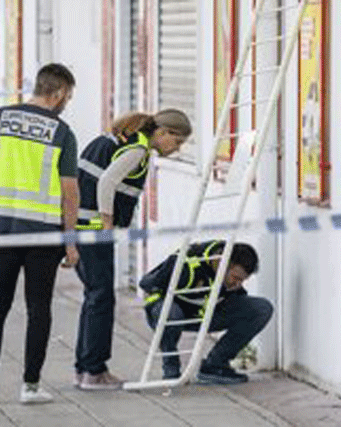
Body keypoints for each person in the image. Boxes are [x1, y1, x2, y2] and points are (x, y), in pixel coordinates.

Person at [0, 63, 80, 405]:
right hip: (42, 233)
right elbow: (69, 191)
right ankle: (30, 386)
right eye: (67, 97)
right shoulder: (61, 132)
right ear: (57, 93)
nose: (66, 104)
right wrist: (70, 241)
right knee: (38, 308)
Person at [73, 110, 192, 390]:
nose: (177, 149)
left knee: (94, 297)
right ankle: (94, 372)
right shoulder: (137, 149)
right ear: (163, 133)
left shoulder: (122, 138)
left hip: (79, 227)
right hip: (92, 230)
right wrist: (107, 222)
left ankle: (85, 369)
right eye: (178, 142)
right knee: (102, 299)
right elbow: (107, 182)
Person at [139, 240, 273, 384]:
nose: (238, 284)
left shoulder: (229, 272)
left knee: (261, 309)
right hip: (173, 315)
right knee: (170, 313)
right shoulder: (188, 265)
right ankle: (171, 368)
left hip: (205, 314)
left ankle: (215, 365)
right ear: (222, 264)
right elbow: (146, 284)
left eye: (243, 280)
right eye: (235, 278)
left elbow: (237, 299)